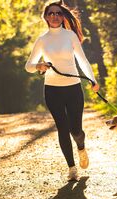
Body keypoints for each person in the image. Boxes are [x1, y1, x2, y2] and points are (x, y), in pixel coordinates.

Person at [25, 0, 100, 181]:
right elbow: (28, 66)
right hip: (52, 90)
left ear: (62, 16)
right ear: (46, 17)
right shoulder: (42, 40)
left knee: (76, 129)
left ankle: (81, 146)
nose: (55, 16)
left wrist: (92, 79)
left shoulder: (70, 36)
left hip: (73, 88)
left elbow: (82, 60)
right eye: (51, 13)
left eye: (58, 13)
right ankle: (72, 168)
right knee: (62, 128)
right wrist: (39, 65)